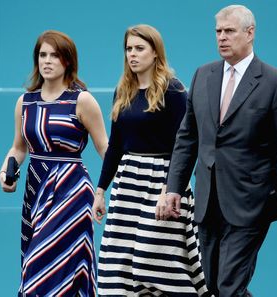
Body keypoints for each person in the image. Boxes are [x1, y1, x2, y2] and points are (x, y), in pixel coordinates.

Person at [164, 5, 277, 297]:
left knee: (229, 285)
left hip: (250, 202)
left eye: (229, 31)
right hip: (207, 201)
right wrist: (174, 187)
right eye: (218, 31)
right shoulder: (202, 76)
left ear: (250, 33)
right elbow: (187, 138)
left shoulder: (275, 82)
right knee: (214, 285)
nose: (222, 38)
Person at [92, 24, 210, 296]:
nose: (132, 55)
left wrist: (169, 191)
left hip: (163, 181)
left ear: (155, 52)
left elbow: (185, 145)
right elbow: (115, 147)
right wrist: (100, 192)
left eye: (139, 48)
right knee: (117, 264)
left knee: (153, 262)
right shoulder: (123, 90)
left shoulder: (174, 91)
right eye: (129, 49)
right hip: (128, 182)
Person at [0, 30, 108, 297]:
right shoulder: (25, 102)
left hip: (71, 192)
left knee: (58, 268)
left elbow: (106, 148)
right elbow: (18, 147)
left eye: (54, 55)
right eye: (42, 55)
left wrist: (106, 191)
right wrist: (6, 170)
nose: (47, 61)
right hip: (36, 191)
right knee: (33, 264)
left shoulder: (81, 100)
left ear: (67, 61)